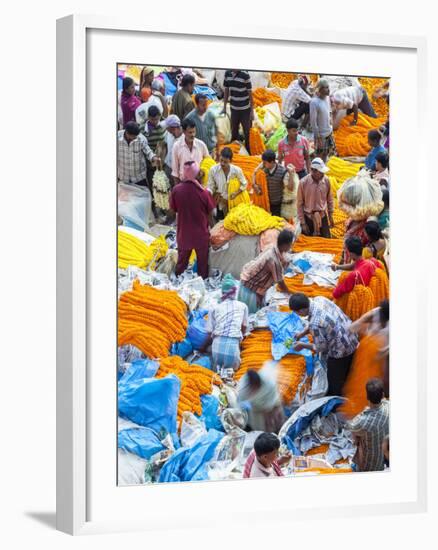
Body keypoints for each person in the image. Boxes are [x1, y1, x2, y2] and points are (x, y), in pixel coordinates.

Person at [289, 293, 359, 396]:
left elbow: (321, 347)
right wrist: (302, 333)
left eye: (298, 313)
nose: (298, 315)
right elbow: (319, 323)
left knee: (335, 379)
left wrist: (302, 345)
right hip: (351, 336)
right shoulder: (319, 299)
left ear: (302, 310)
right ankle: (347, 382)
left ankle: (338, 398)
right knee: (348, 370)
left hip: (341, 350)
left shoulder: (315, 323)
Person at [169, 161, 215, 279]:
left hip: (184, 235)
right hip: (201, 236)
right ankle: (202, 286)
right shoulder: (204, 193)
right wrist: (214, 231)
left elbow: (172, 211)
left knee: (181, 264)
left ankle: (178, 283)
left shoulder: (176, 190)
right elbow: (210, 216)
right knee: (202, 267)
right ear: (197, 174)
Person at [238, 230, 294, 314]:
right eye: (290, 245)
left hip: (249, 279)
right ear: (285, 245)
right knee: (252, 314)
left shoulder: (273, 247)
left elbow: (283, 258)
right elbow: (280, 282)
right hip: (251, 286)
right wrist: (290, 293)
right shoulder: (273, 260)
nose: (291, 247)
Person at [203, 274, 249, 372]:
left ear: (222, 292)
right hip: (233, 350)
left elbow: (209, 332)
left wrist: (202, 348)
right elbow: (244, 327)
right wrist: (241, 340)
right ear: (235, 292)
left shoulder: (214, 308)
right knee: (232, 372)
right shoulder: (243, 306)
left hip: (217, 349)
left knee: (216, 370)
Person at [347, 378, 389, 472]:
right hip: (383, 456)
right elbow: (385, 401)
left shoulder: (362, 421)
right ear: (382, 395)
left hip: (370, 466)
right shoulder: (388, 407)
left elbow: (350, 426)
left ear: (367, 397)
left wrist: (363, 412)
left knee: (357, 437)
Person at [350, 300, 389, 396]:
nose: (381, 321)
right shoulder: (376, 312)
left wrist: (380, 355)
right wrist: (358, 328)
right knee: (361, 376)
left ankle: (380, 394)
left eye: (383, 320)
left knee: (383, 377)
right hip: (367, 351)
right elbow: (357, 324)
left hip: (383, 353)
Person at [296, 157, 334, 238]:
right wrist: (303, 223)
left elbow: (330, 199)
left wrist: (330, 216)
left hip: (323, 217)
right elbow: (299, 204)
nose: (323, 174)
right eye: (321, 172)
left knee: (326, 242)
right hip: (308, 218)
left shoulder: (326, 180)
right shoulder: (303, 183)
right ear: (313, 170)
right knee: (309, 245)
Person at [207, 146, 247, 219]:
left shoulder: (237, 170)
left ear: (231, 161)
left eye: (225, 162)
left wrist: (236, 193)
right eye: (221, 160)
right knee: (221, 221)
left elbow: (244, 183)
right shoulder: (213, 170)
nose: (222, 163)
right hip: (220, 202)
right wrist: (210, 193)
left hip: (234, 202)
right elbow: (210, 186)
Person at [117, 121, 160, 185]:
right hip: (123, 176)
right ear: (127, 133)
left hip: (139, 178)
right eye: (134, 136)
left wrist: (153, 157)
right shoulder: (117, 137)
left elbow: (148, 151)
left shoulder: (141, 139)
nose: (136, 138)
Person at [223, 69, 253, 153]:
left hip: (245, 109)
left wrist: (252, 111)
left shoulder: (245, 75)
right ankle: (234, 151)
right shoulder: (227, 73)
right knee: (234, 130)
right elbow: (226, 90)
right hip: (234, 108)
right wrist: (224, 107)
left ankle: (249, 150)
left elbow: (250, 94)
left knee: (247, 132)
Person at [171, 119, 210, 185]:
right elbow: (175, 172)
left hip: (200, 183)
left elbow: (208, 163)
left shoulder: (201, 145)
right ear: (183, 131)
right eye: (190, 132)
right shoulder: (176, 146)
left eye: (194, 132)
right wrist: (177, 188)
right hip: (184, 183)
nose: (193, 135)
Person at [252, 149, 288, 217]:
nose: (263, 164)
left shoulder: (282, 171)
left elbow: (287, 188)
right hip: (267, 202)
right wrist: (254, 185)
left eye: (265, 163)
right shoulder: (263, 171)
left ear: (272, 162)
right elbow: (255, 177)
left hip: (278, 203)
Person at [309, 79, 335, 162]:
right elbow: (313, 122)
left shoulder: (327, 98)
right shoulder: (314, 102)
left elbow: (329, 111)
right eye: (326, 88)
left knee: (326, 153)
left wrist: (331, 124)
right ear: (320, 89)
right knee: (319, 156)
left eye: (328, 87)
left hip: (329, 132)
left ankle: (323, 168)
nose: (328, 90)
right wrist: (318, 136)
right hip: (321, 135)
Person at [159, 115, 183, 179]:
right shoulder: (168, 134)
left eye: (167, 128)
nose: (166, 129)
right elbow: (165, 145)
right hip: (168, 167)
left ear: (173, 128)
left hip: (178, 171)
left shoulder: (184, 139)